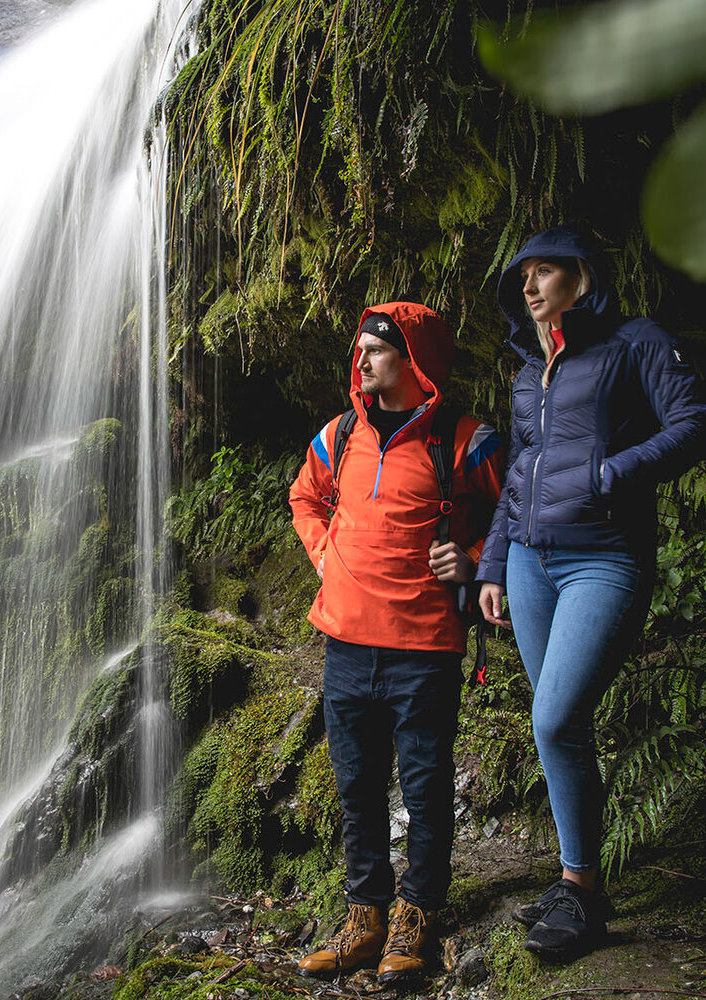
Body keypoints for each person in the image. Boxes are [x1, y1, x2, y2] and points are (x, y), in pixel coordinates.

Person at [475, 224, 706, 959]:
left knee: (553, 720)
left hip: (604, 559)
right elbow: (519, 472)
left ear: (580, 277)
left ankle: (580, 896)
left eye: (544, 271)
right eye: (522, 277)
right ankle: (579, 883)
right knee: (562, 727)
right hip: (529, 562)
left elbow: (695, 422)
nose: (529, 285)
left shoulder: (636, 342)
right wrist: (493, 564)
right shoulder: (528, 371)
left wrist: (615, 472)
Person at [288, 302, 505, 983]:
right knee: (356, 787)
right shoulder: (340, 435)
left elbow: (520, 510)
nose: (361, 359)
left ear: (413, 359)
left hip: (425, 647)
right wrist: (324, 554)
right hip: (346, 645)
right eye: (360, 348)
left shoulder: (466, 442)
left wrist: (476, 558)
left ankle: (418, 914)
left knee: (425, 786)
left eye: (376, 349)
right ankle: (365, 915)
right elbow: (304, 498)